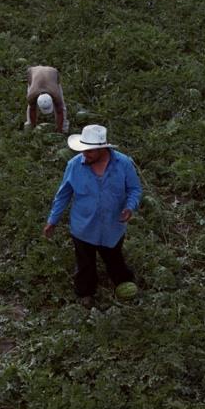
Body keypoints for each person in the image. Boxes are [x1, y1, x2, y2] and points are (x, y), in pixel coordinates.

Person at [44, 125, 142, 306]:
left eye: (89, 151)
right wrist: (53, 220)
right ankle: (85, 292)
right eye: (83, 150)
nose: (84, 154)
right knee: (85, 263)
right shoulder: (74, 165)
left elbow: (134, 189)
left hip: (113, 226)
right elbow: (63, 194)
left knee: (114, 258)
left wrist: (130, 207)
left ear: (102, 149)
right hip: (83, 228)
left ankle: (123, 283)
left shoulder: (124, 164)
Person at [26, 65, 69, 133]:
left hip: (52, 72)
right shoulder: (31, 95)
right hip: (33, 72)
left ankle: (64, 127)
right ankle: (30, 124)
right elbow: (32, 109)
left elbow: (60, 111)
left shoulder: (56, 94)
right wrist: (33, 128)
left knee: (61, 106)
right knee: (31, 105)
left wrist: (59, 131)